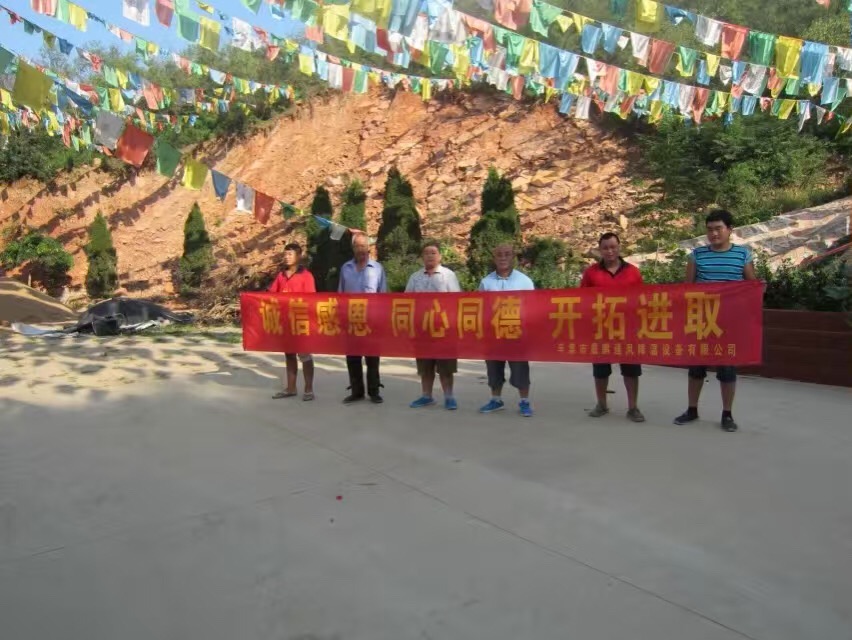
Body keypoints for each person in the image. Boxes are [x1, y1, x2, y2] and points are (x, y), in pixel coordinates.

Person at [673, 209, 756, 432]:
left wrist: (758, 289)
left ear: (730, 230)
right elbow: (687, 289)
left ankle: (727, 414)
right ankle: (692, 409)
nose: (714, 234)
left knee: (727, 370)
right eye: (709, 229)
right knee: (696, 368)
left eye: (718, 228)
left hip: (729, 324)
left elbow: (751, 286)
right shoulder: (697, 255)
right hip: (701, 321)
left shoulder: (742, 255)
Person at [580, 232, 646, 423]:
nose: (610, 251)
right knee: (600, 370)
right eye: (605, 248)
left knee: (631, 370)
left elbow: (642, 299)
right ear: (599, 250)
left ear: (619, 247)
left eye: (613, 247)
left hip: (628, 328)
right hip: (601, 328)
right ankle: (601, 404)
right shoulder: (591, 273)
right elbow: (582, 298)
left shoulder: (633, 272)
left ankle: (633, 407)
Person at [477, 243, 535, 418]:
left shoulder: (524, 281)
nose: (503, 258)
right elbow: (480, 307)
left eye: (507, 254)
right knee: (494, 369)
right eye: (499, 254)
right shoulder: (486, 282)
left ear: (513, 257)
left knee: (520, 369)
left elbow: (532, 307)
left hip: (517, 333)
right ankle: (496, 399)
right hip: (493, 334)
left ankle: (524, 401)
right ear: (494, 258)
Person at [405, 241, 462, 411]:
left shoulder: (448, 275)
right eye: (426, 253)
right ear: (422, 257)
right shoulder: (415, 277)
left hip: (444, 330)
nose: (430, 256)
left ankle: (449, 397)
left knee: (446, 367)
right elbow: (406, 301)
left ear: (440, 256)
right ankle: (426, 396)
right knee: (425, 367)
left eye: (433, 253)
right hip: (422, 330)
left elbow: (456, 301)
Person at [338, 233, 387, 404]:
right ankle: (356, 391)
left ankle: (374, 391)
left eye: (363, 246)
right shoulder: (345, 268)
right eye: (357, 246)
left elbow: (383, 295)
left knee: (372, 357)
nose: (360, 249)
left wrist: (381, 319)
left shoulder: (378, 268)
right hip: (351, 320)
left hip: (371, 320)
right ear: (353, 248)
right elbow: (340, 294)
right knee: (353, 357)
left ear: (368, 247)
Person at [268, 242, 316, 401]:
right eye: (285, 254)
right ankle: (291, 387)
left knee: (305, 355)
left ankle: (308, 389)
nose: (287, 257)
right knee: (289, 355)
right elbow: (272, 294)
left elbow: (311, 300)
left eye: (290, 254)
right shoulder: (281, 275)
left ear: (298, 256)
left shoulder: (306, 276)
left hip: (300, 322)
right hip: (285, 322)